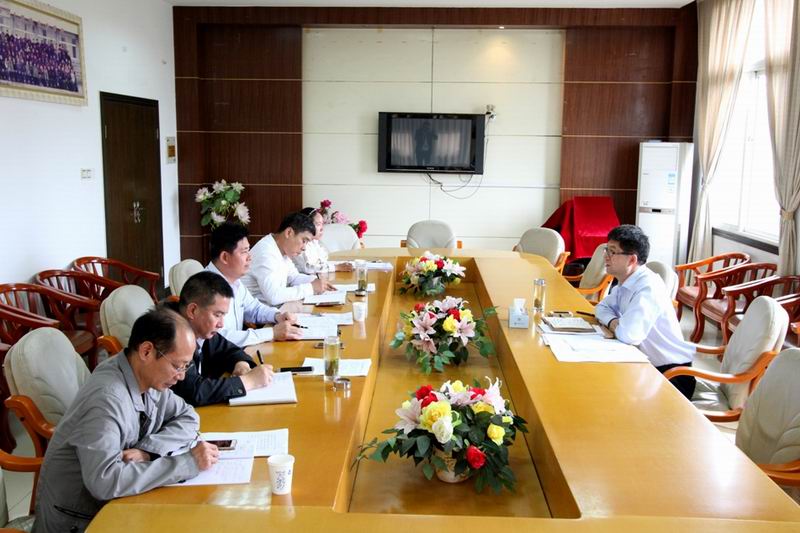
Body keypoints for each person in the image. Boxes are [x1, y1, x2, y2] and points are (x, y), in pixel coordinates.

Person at [33, 307, 219, 533]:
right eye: (177, 366)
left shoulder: (145, 376)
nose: (181, 376)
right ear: (147, 351)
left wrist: (147, 451)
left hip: (118, 506)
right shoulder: (107, 399)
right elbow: (105, 480)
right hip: (81, 522)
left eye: (186, 366)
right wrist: (187, 463)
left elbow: (187, 415)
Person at [594, 224, 696, 400]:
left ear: (632, 260)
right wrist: (613, 322)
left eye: (612, 251)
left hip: (672, 376)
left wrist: (617, 325)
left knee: (604, 392)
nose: (606, 256)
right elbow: (601, 308)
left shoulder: (648, 287)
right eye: (606, 250)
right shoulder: (626, 281)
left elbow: (628, 335)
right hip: (644, 363)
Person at [168, 271, 274, 406]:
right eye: (217, 315)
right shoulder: (171, 334)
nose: (221, 324)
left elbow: (229, 350)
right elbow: (193, 391)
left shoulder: (199, 329)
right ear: (193, 310)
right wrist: (248, 381)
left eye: (224, 315)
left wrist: (241, 365)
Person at [207, 221, 303, 347]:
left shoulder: (234, 281)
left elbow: (254, 308)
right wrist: (272, 333)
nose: (250, 257)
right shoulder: (206, 289)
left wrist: (277, 316)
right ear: (225, 257)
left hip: (234, 352)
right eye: (244, 252)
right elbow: (218, 337)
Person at [242, 211, 337, 306]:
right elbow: (274, 296)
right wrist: (311, 288)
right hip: (259, 312)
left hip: (275, 308)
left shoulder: (282, 249)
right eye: (304, 241)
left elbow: (294, 277)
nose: (304, 248)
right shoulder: (266, 252)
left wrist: (316, 281)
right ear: (289, 233)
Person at [292, 207, 353, 275]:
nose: (322, 228)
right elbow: (308, 268)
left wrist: (341, 264)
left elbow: (323, 262)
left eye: (322, 224)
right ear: (307, 225)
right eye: (318, 224)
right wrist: (336, 267)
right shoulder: (300, 244)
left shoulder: (314, 242)